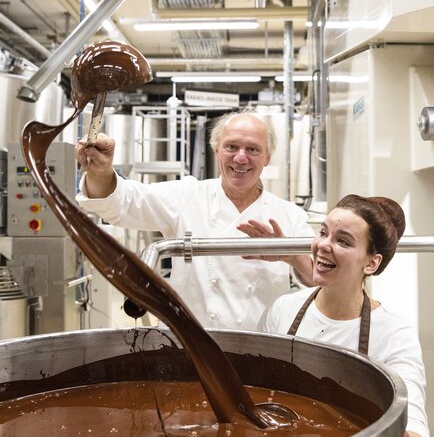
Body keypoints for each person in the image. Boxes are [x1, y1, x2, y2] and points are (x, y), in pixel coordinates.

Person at [257, 194, 429, 437]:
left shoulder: (393, 333)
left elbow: (414, 420)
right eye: (323, 233)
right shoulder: (283, 311)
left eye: (343, 241)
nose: (324, 245)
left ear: (371, 263)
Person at [75, 109, 314, 330]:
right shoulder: (187, 196)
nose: (241, 158)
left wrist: (292, 256)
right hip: (191, 344)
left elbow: (319, 282)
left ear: (267, 158)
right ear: (217, 151)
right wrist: (101, 172)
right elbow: (122, 202)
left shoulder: (289, 215)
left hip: (262, 347)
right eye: (231, 147)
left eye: (253, 149)